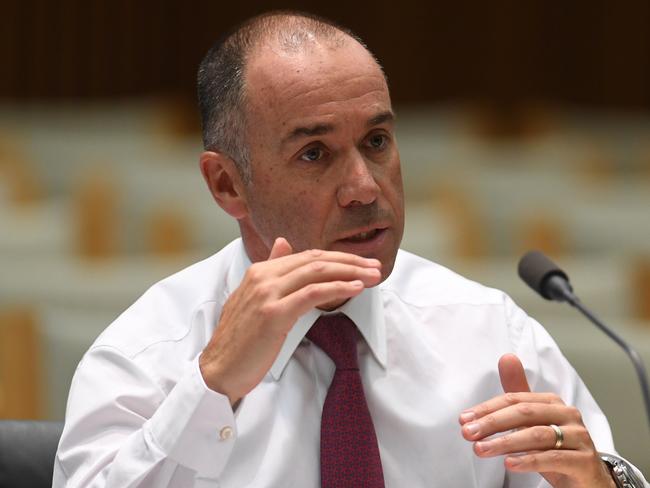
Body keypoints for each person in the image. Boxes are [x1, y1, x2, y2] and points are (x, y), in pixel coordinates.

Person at [53, 11, 647, 488]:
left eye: (378, 141)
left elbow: (592, 476)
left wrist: (593, 482)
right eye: (315, 153)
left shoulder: (492, 336)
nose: (366, 187)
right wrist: (209, 389)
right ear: (227, 185)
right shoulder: (147, 355)